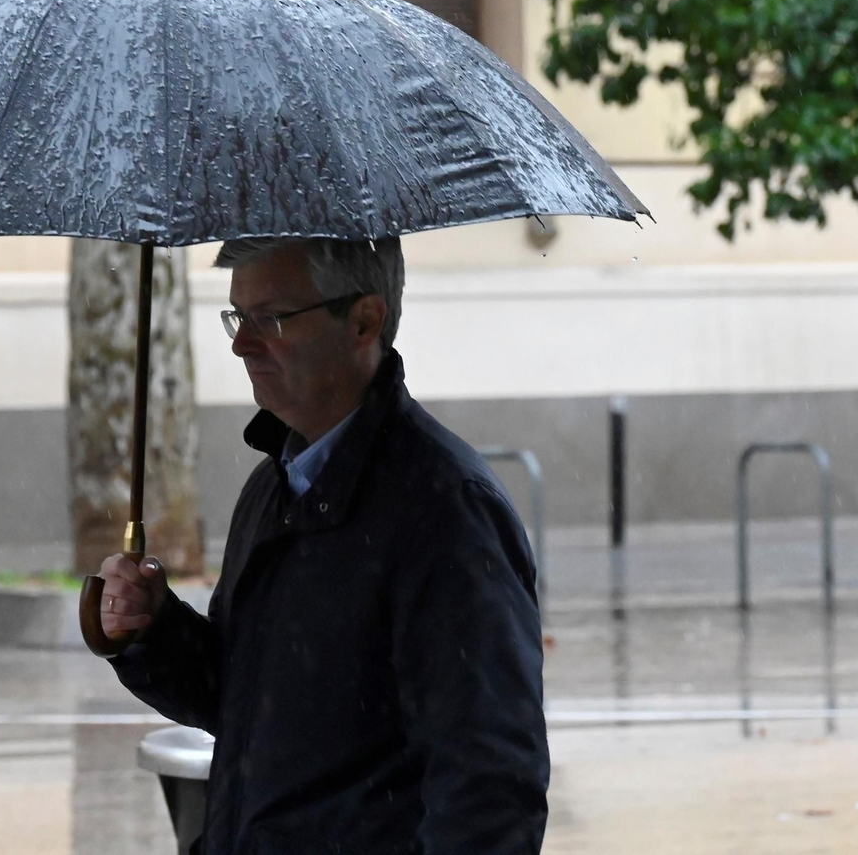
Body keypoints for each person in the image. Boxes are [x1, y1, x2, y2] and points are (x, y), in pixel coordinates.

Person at [96, 237, 549, 854]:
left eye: (272, 318)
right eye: (237, 315)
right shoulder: (275, 482)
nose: (241, 343)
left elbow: (490, 782)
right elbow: (248, 703)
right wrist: (154, 630)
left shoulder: (446, 511)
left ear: (364, 321)